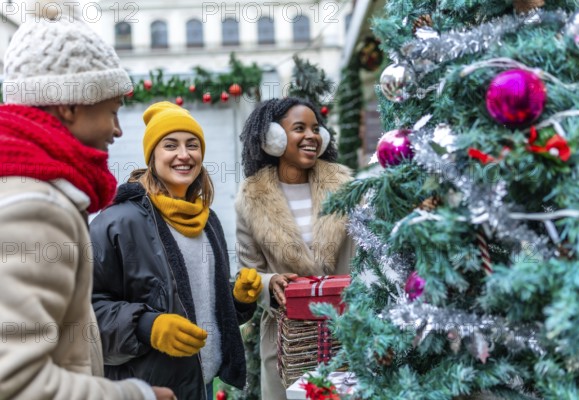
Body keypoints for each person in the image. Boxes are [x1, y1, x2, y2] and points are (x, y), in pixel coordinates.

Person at [0, 3, 175, 400]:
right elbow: (14, 382)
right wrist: (139, 396)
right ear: (69, 104)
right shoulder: (37, 208)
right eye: (112, 111)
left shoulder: (29, 187)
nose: (116, 130)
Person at [90, 101, 262, 399]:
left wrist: (236, 301)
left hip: (202, 384)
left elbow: (200, 304)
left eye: (192, 145)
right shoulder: (116, 222)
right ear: (152, 155)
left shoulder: (208, 221)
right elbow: (86, 311)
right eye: (171, 145)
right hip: (148, 388)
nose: (184, 155)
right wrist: (148, 326)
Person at [235, 97, 355, 398]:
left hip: (346, 332)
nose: (311, 136)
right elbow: (249, 271)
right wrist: (269, 283)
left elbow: (368, 255)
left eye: (316, 129)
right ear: (273, 138)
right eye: (299, 128)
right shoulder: (251, 198)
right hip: (286, 340)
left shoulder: (345, 189)